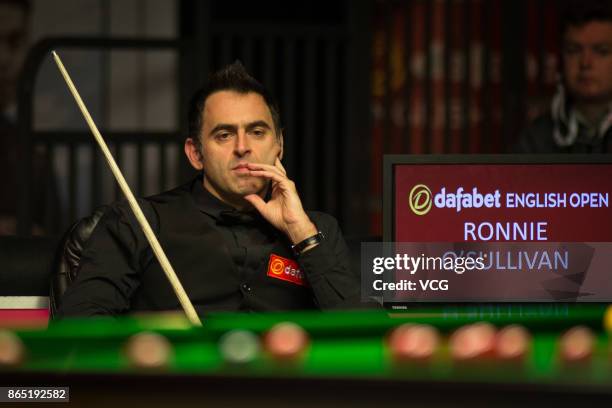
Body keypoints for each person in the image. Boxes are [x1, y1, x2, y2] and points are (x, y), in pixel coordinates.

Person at [57, 61, 361, 317]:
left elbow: (362, 333)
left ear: (279, 144)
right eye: (224, 135)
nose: (243, 148)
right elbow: (81, 326)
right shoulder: (137, 222)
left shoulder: (317, 231)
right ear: (196, 154)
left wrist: (301, 233)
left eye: (257, 132)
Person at [516, 0, 612, 153]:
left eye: (601, 51)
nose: (585, 63)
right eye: (574, 50)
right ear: (561, 58)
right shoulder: (537, 139)